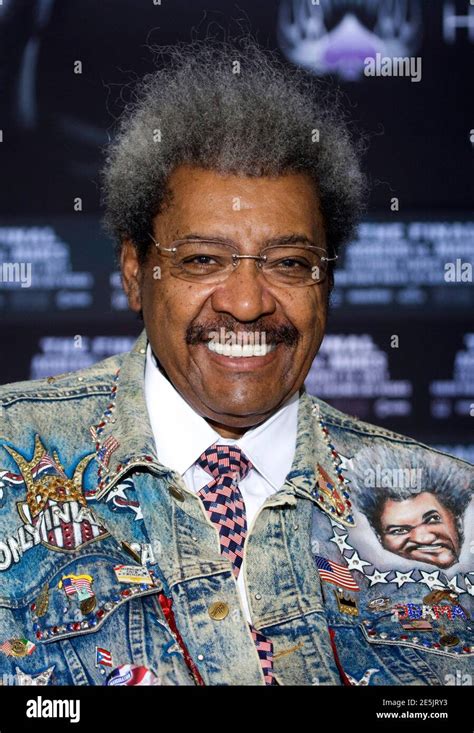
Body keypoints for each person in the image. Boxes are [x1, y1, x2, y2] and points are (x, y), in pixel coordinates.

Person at [0, 38, 472, 687]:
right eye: (202, 260)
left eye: (288, 263)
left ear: (326, 283)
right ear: (136, 274)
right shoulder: (7, 455)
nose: (248, 303)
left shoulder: (458, 511)